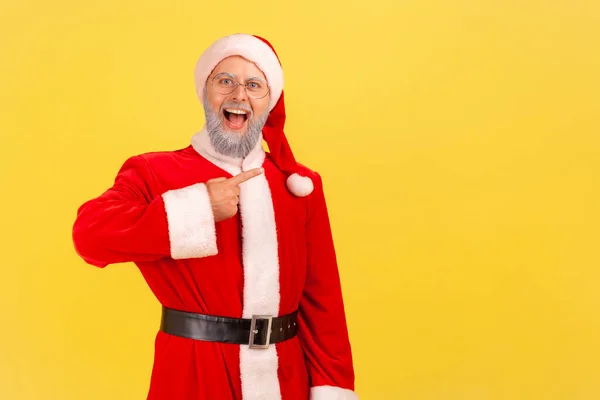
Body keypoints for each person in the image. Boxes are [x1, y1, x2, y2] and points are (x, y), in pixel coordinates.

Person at [72, 33, 357, 400]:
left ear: (269, 102)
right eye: (226, 81)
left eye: (255, 85)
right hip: (192, 371)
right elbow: (90, 237)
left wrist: (332, 387)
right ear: (205, 90)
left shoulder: (299, 185)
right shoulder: (153, 172)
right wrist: (197, 207)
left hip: (287, 375)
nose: (239, 95)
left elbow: (325, 306)